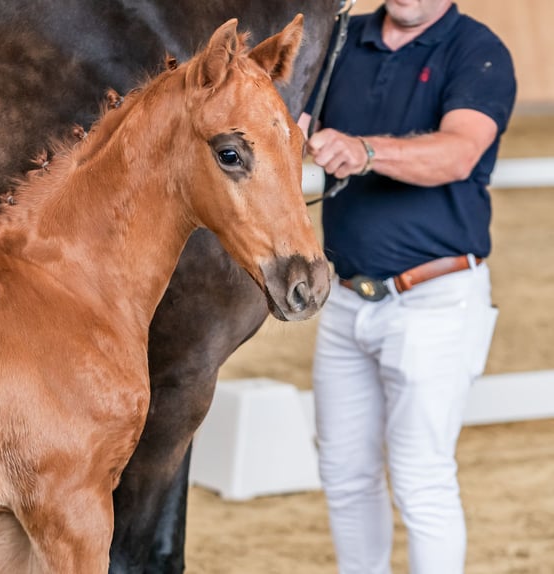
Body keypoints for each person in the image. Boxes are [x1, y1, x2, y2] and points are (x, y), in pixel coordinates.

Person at [297, 1, 516, 573]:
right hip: (346, 298)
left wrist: (364, 150)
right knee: (344, 474)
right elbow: (296, 119)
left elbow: (459, 152)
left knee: (421, 477)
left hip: (435, 301)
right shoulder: (344, 37)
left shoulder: (477, 49)